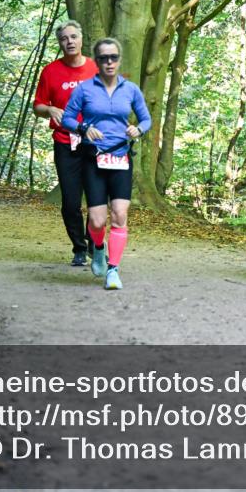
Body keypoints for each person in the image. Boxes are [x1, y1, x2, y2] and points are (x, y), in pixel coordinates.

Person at [62, 38, 151, 291]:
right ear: (96, 61)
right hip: (93, 159)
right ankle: (98, 248)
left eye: (113, 57)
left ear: (119, 60)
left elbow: (146, 119)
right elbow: (67, 117)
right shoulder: (84, 89)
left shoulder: (131, 89)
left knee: (120, 214)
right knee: (97, 221)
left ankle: (113, 269)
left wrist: (138, 129)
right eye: (103, 58)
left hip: (121, 157)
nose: (109, 62)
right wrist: (84, 128)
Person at [33, 20, 98, 267]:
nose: (69, 42)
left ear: (81, 40)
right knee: (71, 200)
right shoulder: (50, 72)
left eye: (73, 37)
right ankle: (79, 247)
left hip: (93, 143)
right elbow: (37, 106)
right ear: (60, 43)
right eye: (64, 38)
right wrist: (49, 109)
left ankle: (94, 244)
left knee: (95, 198)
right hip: (64, 142)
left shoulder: (95, 69)